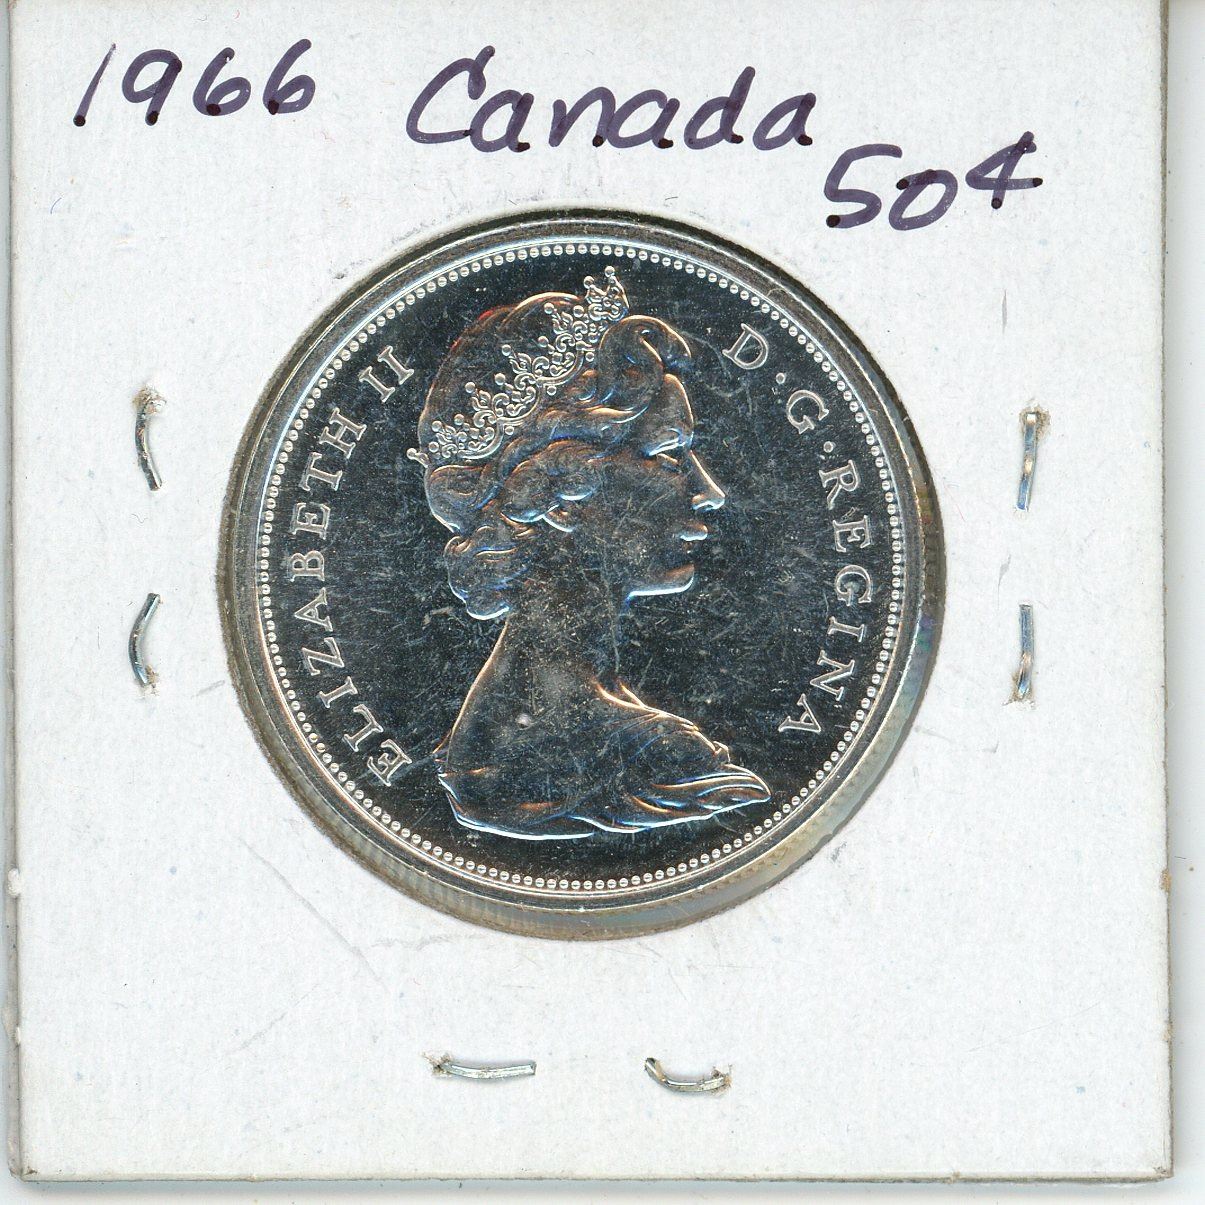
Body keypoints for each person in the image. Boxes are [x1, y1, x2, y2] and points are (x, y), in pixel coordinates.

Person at [409, 266, 770, 840]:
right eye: (669, 454)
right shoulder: (653, 755)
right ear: (558, 498)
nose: (710, 492)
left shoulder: (487, 737)